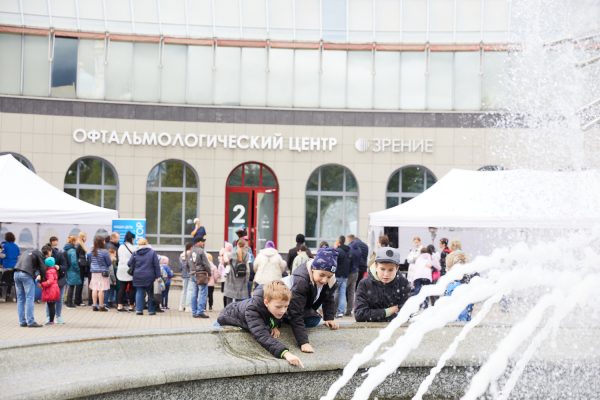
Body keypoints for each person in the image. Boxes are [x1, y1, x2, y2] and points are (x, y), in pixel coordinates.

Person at [217, 281, 304, 367]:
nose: (283, 310)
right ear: (266, 302)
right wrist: (286, 354)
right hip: (227, 316)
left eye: (286, 306)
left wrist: (274, 325)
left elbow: (276, 316)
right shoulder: (252, 311)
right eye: (278, 307)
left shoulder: (276, 304)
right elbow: (262, 335)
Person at [286, 247, 339, 354]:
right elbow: (295, 311)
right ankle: (284, 321)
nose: (325, 280)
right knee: (311, 318)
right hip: (285, 308)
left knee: (314, 319)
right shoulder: (301, 280)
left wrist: (329, 317)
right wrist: (303, 342)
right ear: (313, 269)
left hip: (304, 307)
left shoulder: (329, 280)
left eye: (329, 276)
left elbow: (328, 297)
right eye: (322, 275)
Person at [354, 247, 410, 322]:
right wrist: (389, 311)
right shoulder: (364, 284)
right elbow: (359, 314)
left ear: (397, 268)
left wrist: (376, 313)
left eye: (390, 270)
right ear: (376, 266)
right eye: (382, 269)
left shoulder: (403, 283)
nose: (386, 274)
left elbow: (407, 312)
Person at [14, 245, 52, 327]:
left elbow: (33, 267)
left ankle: (22, 321)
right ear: (48, 252)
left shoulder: (29, 251)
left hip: (16, 273)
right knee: (29, 298)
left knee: (20, 299)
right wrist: (42, 282)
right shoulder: (40, 255)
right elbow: (42, 268)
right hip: (26, 275)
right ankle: (31, 321)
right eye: (51, 252)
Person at [128, 238, 160, 316]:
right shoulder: (152, 252)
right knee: (150, 293)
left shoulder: (135, 253)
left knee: (139, 292)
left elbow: (129, 263)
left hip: (138, 275)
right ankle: (151, 311)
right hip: (149, 276)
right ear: (147, 243)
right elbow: (156, 265)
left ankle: (139, 310)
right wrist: (158, 275)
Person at [87, 236, 112, 312]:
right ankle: (101, 306)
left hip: (94, 272)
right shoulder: (104, 251)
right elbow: (109, 262)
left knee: (94, 288)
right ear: (102, 242)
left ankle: (94, 305)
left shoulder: (91, 251)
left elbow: (89, 260)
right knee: (101, 289)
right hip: (102, 272)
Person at [189, 237, 211, 318]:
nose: (203, 243)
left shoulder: (190, 251)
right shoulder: (201, 251)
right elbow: (206, 264)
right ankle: (200, 311)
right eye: (202, 242)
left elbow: (188, 264)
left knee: (194, 293)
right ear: (198, 242)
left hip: (193, 274)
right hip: (201, 274)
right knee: (203, 293)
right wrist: (209, 273)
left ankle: (194, 312)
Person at [223, 238, 250, 306]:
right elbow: (247, 268)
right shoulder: (247, 255)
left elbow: (225, 263)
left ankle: (228, 313)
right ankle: (238, 313)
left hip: (231, 279)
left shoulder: (231, 254)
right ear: (244, 246)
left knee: (229, 298)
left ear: (237, 245)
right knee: (240, 301)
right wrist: (247, 279)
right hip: (242, 278)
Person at [48, 236, 67, 323]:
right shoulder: (44, 255)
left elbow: (65, 266)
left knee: (59, 299)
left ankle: (58, 316)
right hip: (50, 280)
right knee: (49, 299)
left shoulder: (59, 254)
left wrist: (59, 267)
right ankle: (49, 317)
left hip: (60, 280)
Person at [116, 231, 135, 312]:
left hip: (120, 268)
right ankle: (131, 305)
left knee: (121, 288)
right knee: (131, 288)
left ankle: (119, 306)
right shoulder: (133, 247)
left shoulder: (120, 247)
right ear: (131, 238)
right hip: (129, 269)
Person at [333, 236, 351, 318]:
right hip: (345, 275)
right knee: (343, 293)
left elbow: (334, 262)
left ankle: (333, 310)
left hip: (338, 275)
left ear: (339, 242)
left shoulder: (338, 251)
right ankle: (341, 312)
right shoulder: (348, 250)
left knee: (336, 293)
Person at [40, 256, 60, 325]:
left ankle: (51, 321)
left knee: (51, 305)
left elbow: (50, 281)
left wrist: (42, 284)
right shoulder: (54, 270)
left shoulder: (49, 271)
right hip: (55, 288)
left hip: (51, 290)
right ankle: (51, 320)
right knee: (52, 305)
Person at [0, 232, 20, 302]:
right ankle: (14, 297)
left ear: (6, 238)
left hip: (6, 267)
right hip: (15, 267)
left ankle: (3, 297)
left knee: (4, 281)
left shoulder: (5, 246)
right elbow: (18, 257)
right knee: (13, 282)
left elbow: (2, 256)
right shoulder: (16, 246)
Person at [64, 235, 81, 309]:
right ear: (73, 241)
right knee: (72, 286)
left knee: (69, 286)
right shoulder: (73, 250)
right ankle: (69, 302)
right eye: (76, 241)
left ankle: (67, 301)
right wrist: (78, 269)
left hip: (68, 269)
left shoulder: (66, 249)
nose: (77, 242)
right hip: (73, 270)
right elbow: (74, 262)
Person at [74, 232, 89, 307]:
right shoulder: (80, 245)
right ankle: (78, 300)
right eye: (85, 237)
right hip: (81, 266)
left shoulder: (79, 244)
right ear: (83, 237)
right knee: (80, 283)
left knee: (80, 283)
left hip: (81, 265)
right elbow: (77, 256)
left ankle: (78, 300)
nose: (86, 238)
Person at [178, 242, 193, 312]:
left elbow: (180, 266)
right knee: (190, 290)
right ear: (190, 247)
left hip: (184, 274)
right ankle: (188, 307)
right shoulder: (192, 254)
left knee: (184, 290)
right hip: (191, 274)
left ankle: (181, 306)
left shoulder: (182, 255)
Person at [218, 242, 233, 306]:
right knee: (228, 293)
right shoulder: (230, 255)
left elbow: (219, 270)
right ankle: (227, 306)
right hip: (228, 277)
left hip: (223, 278)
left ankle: (225, 306)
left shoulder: (222, 258)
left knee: (225, 293)